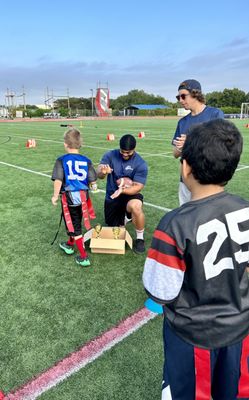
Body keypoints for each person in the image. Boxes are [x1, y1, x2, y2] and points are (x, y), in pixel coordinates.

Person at [143, 119, 249, 400]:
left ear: (186, 166)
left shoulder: (174, 224)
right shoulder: (246, 209)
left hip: (193, 337)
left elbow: (160, 290)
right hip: (241, 329)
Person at [172, 79, 224, 205]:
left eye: (183, 96)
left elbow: (221, 146)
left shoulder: (215, 114)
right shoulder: (182, 122)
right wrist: (180, 148)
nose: (180, 100)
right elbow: (175, 154)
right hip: (186, 180)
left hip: (208, 179)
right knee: (186, 218)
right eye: (178, 97)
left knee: (208, 219)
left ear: (195, 94)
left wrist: (191, 142)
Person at [51, 128, 97, 267]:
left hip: (70, 196)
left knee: (75, 225)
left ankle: (84, 256)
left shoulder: (61, 160)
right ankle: (70, 243)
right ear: (80, 144)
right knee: (75, 220)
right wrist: (94, 187)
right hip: (83, 197)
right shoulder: (86, 160)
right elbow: (93, 181)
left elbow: (58, 180)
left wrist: (55, 196)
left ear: (65, 144)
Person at [97, 134, 148, 254]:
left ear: (134, 149)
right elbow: (99, 173)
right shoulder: (110, 155)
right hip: (112, 196)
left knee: (136, 206)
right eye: (123, 152)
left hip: (130, 195)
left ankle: (140, 238)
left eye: (128, 152)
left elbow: (138, 187)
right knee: (112, 227)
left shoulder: (140, 163)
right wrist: (103, 172)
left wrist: (122, 190)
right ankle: (126, 216)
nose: (125, 154)